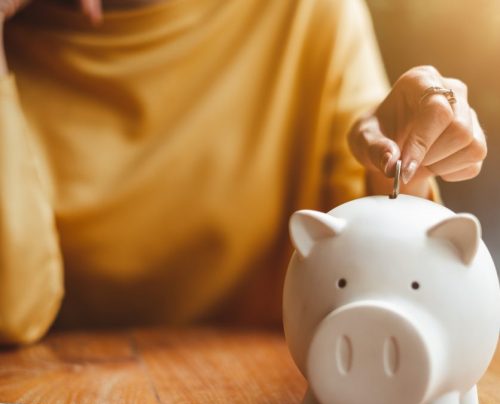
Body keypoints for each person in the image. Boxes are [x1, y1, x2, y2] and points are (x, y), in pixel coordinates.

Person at [0, 0, 487, 345]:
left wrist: (403, 164)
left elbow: (386, 278)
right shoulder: (18, 38)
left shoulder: (303, 12)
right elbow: (9, 314)